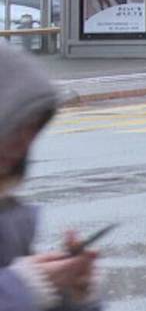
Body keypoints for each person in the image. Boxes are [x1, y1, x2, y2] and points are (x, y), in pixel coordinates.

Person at [0, 48, 102, 311]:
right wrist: (19, 289)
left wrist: (69, 295)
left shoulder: (10, 220)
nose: (23, 143)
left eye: (33, 128)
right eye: (14, 126)